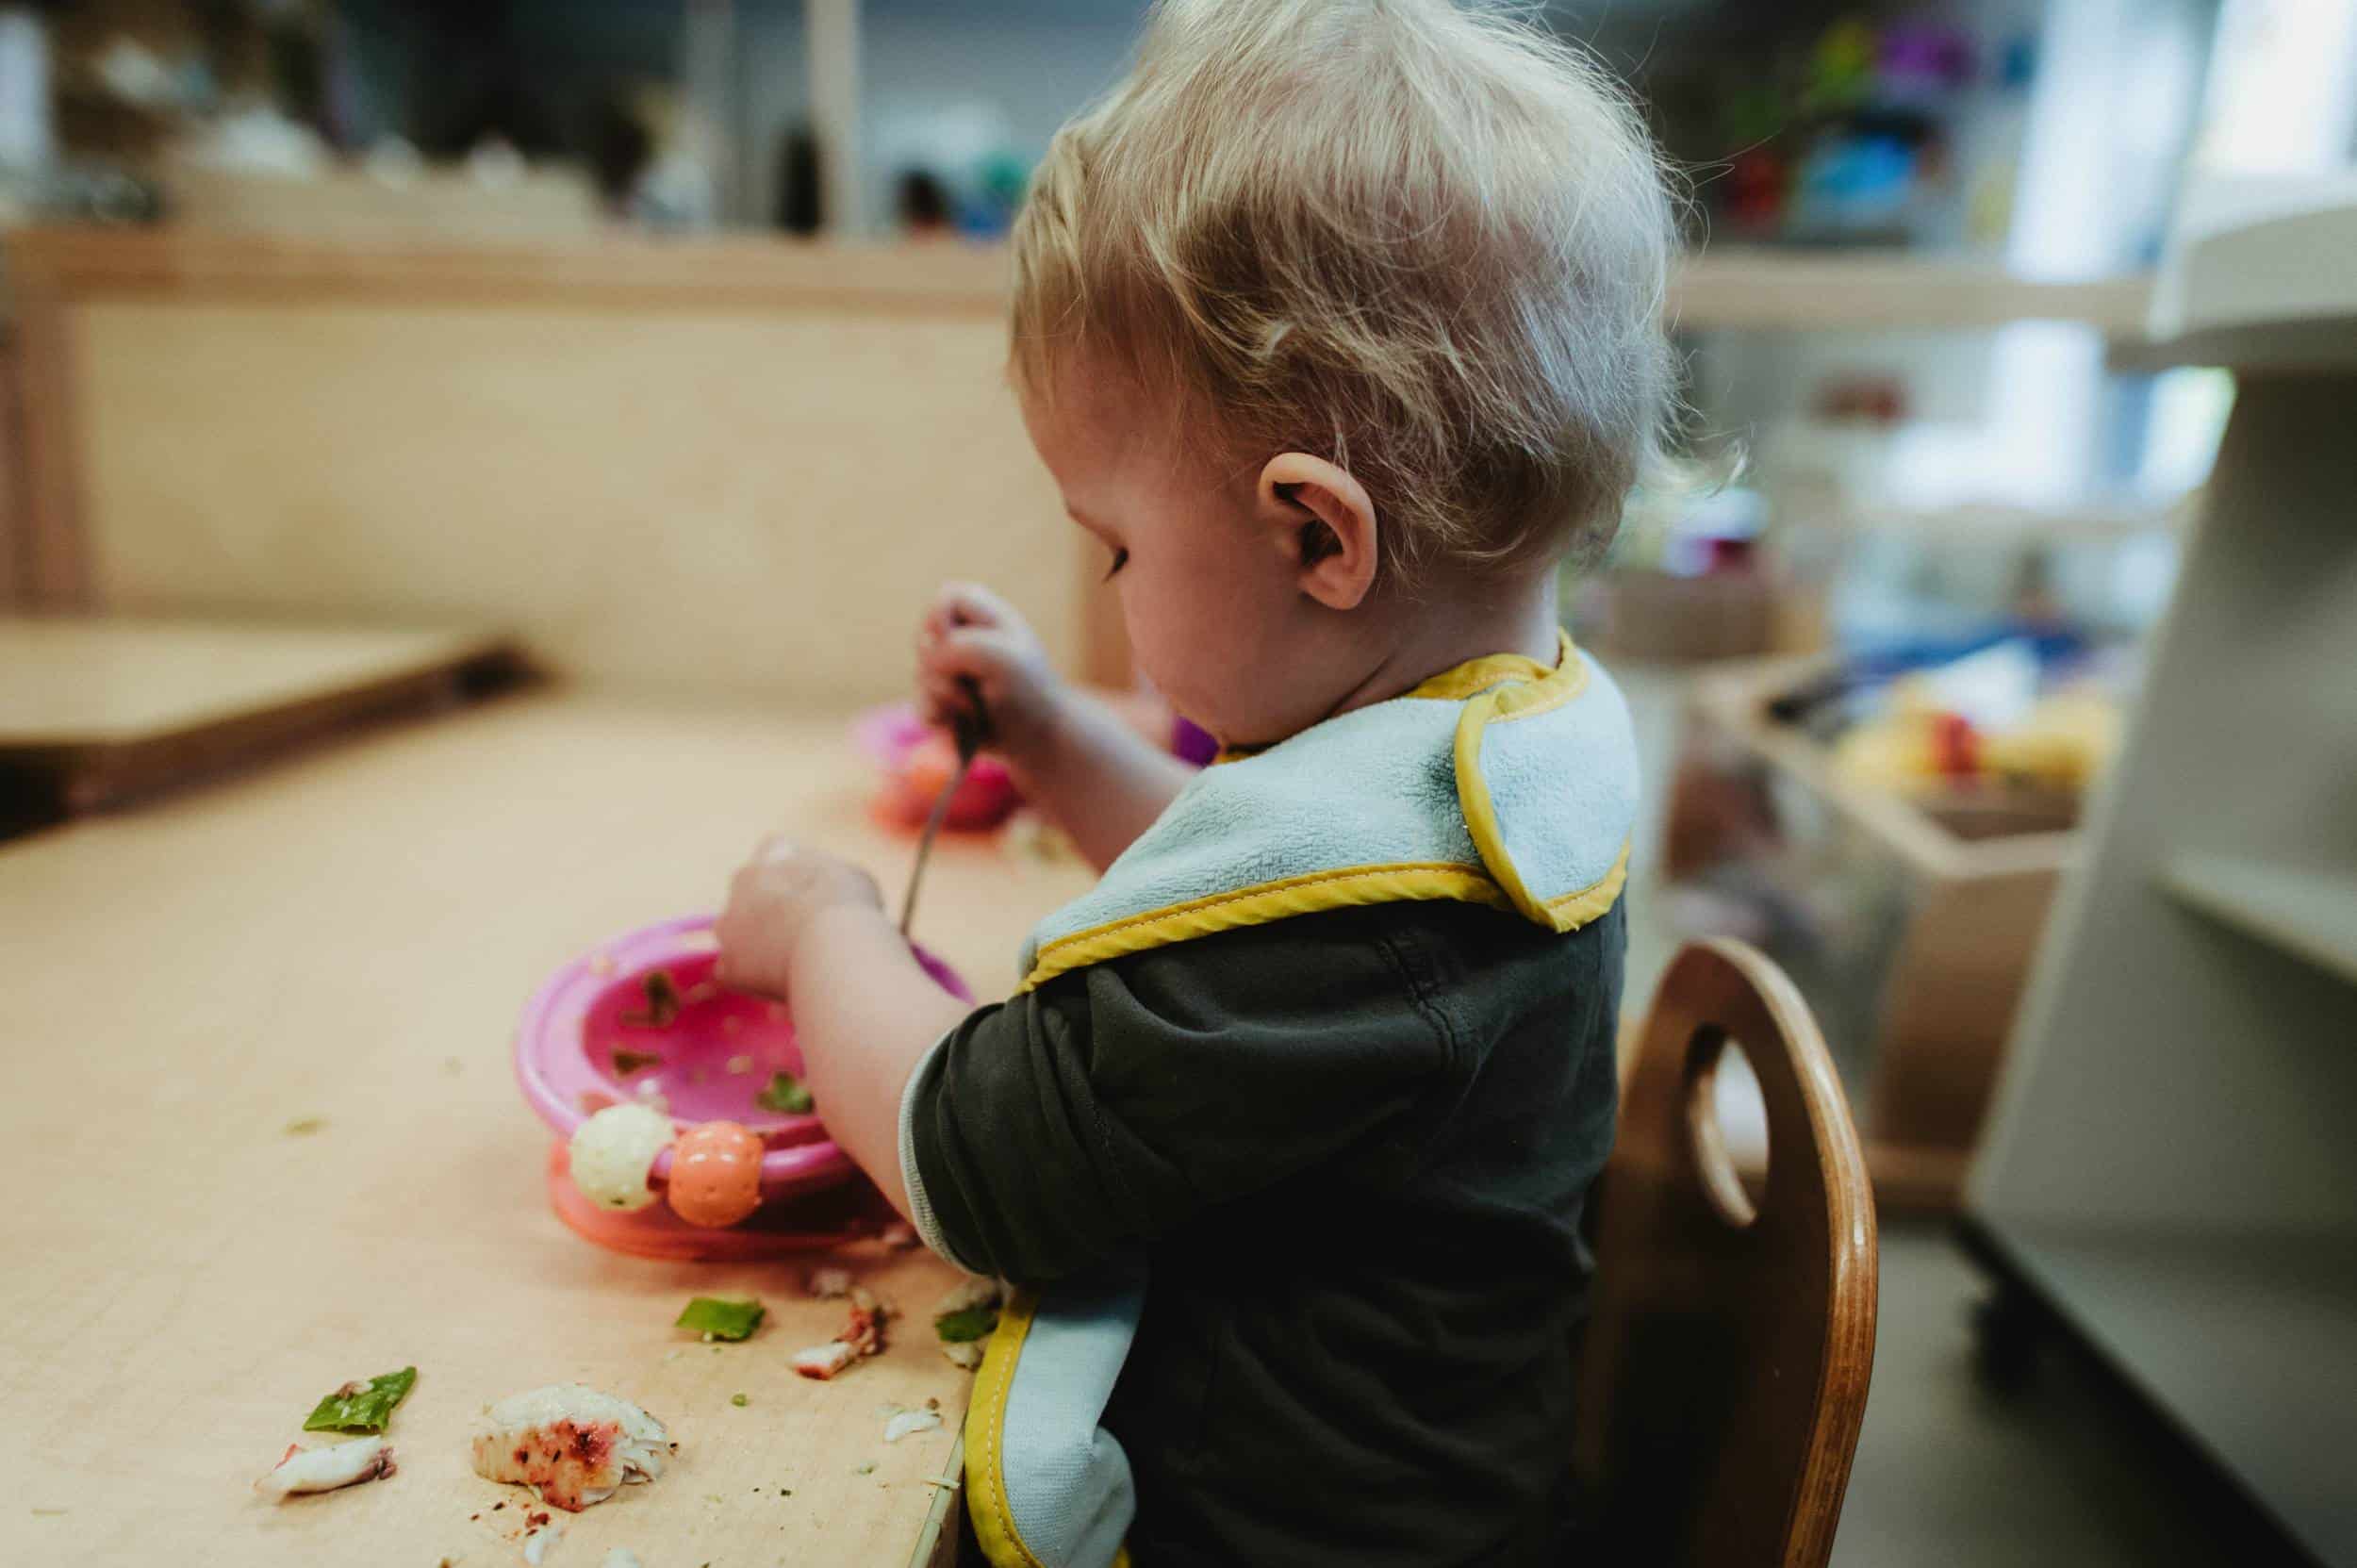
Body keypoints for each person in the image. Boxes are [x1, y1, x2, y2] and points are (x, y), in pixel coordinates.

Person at [715, 1, 1679, 1561]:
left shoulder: (1375, 920)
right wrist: (1047, 732)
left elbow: (979, 1163)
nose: (1104, 575)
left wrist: (827, 930)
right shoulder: (1490, 738)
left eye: (1117, 543)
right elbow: (1238, 884)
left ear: (1317, 536)